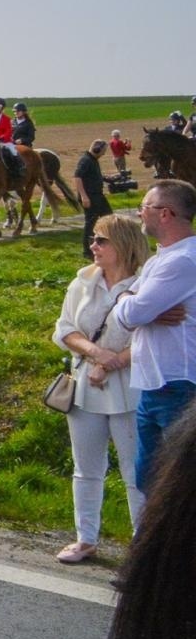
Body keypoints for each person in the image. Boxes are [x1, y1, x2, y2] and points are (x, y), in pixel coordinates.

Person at [51, 214, 149, 563]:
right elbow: (63, 329)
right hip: (84, 387)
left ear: (122, 244)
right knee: (86, 468)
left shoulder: (145, 285)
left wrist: (112, 362)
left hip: (131, 389)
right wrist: (96, 355)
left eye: (101, 240)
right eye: (93, 239)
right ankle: (86, 539)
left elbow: (150, 339)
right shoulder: (82, 281)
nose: (93, 245)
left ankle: (142, 547)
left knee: (135, 472)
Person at [113, 179, 196, 495]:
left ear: (166, 213)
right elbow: (129, 311)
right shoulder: (160, 260)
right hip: (153, 384)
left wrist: (133, 306)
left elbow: (131, 314)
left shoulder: (182, 261)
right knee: (147, 479)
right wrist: (134, 304)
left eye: (145, 207)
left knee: (175, 487)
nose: (139, 213)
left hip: (178, 384)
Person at [74, 140, 113, 260]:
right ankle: (87, 251)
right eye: (103, 151)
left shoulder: (93, 160)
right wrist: (83, 196)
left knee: (108, 218)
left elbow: (91, 176)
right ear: (97, 149)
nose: (103, 154)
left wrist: (106, 178)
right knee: (90, 223)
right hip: (90, 197)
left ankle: (106, 244)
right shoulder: (86, 160)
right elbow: (77, 177)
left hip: (97, 196)